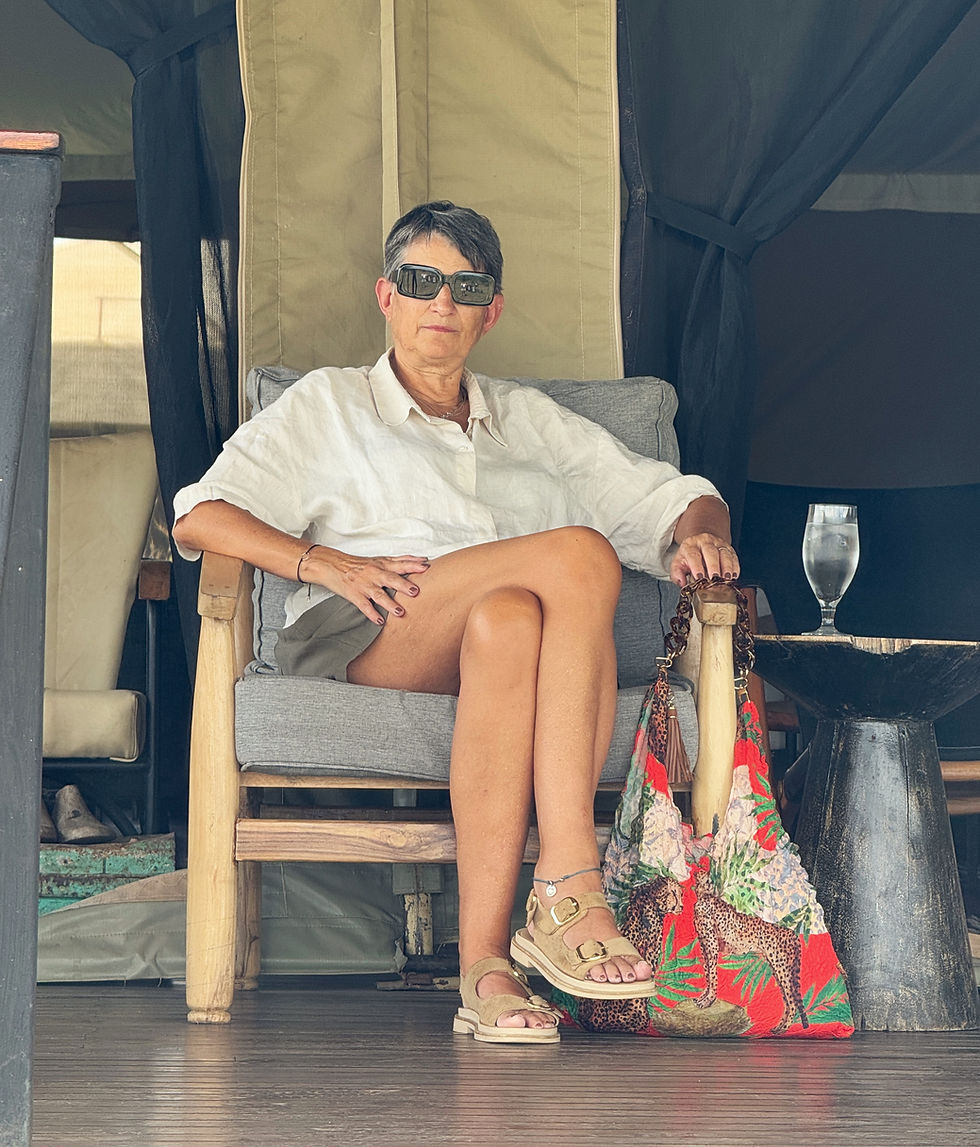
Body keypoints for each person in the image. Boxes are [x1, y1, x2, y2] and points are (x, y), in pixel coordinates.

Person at [172, 200, 740, 1044]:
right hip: (374, 625)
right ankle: (567, 883)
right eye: (420, 280)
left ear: (490, 311)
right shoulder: (329, 404)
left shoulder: (528, 421)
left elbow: (673, 498)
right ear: (387, 296)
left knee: (510, 618)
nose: (441, 301)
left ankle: (485, 970)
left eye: (465, 287)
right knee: (582, 555)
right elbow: (198, 515)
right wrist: (319, 561)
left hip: (490, 641)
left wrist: (702, 535)